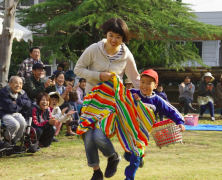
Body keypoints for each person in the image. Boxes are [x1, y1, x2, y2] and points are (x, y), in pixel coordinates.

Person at [74, 18, 140, 180]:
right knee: (88, 137)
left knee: (98, 136)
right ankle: (96, 171)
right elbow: (78, 68)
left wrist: (150, 94)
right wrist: (98, 76)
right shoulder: (94, 49)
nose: (113, 40)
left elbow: (136, 78)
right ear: (106, 34)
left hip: (111, 104)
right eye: (111, 35)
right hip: (91, 101)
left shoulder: (126, 55)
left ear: (123, 38)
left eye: (118, 37)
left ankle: (112, 157)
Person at [129, 69, 185, 180]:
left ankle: (129, 177)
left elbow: (171, 110)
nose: (144, 85)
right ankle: (141, 157)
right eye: (142, 82)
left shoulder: (157, 100)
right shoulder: (132, 93)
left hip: (143, 134)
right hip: (129, 130)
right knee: (128, 154)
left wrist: (180, 121)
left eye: (149, 83)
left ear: (155, 85)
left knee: (135, 155)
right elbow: (118, 97)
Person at [0, 76, 31, 145]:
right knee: (15, 124)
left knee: (23, 123)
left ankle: (14, 141)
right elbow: (10, 108)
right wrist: (21, 105)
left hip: (16, 113)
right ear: (10, 83)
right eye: (16, 83)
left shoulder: (22, 92)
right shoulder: (3, 92)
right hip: (4, 113)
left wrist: (17, 102)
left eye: (20, 83)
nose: (18, 85)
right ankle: (7, 140)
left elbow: (29, 103)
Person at [54, 72, 76, 136]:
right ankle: (70, 130)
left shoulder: (63, 87)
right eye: (60, 78)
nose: (61, 80)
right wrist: (65, 92)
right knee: (68, 106)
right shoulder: (53, 87)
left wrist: (67, 92)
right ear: (55, 79)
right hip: (54, 106)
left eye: (63, 78)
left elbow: (66, 99)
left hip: (61, 105)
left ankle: (70, 129)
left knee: (69, 106)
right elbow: (57, 101)